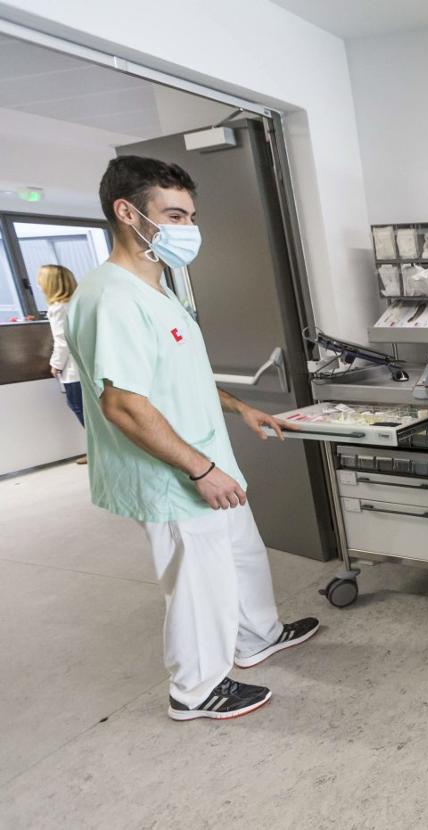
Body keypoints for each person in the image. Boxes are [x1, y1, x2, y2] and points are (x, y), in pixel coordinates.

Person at [66, 155, 319, 722]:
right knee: (198, 579)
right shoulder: (114, 298)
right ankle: (196, 689)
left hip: (204, 455)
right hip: (172, 474)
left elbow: (175, 376)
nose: (187, 230)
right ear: (127, 212)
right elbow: (124, 404)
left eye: (191, 216)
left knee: (240, 552)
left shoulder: (157, 287)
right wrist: (201, 471)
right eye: (174, 215)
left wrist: (239, 407)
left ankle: (257, 635)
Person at [39, 264, 88, 463]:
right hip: (86, 366)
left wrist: (56, 364)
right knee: (89, 409)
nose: (38, 285)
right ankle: (100, 449)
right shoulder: (78, 303)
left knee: (77, 405)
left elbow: (62, 340)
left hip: (74, 369)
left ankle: (100, 450)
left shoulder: (58, 308)